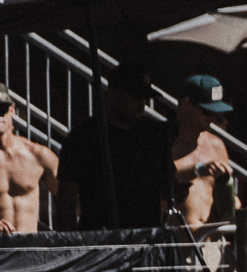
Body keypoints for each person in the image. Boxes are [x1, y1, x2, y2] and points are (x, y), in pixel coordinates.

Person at [56, 61, 175, 230]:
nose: (141, 104)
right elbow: (66, 202)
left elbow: (168, 191)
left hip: (146, 238)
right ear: (113, 94)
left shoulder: (154, 136)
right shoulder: (84, 138)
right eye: (134, 96)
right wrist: (71, 243)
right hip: (101, 237)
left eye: (144, 98)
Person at [0, 81, 57, 234]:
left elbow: (69, 203)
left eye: (2, 110)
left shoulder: (38, 155)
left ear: (12, 111)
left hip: (30, 245)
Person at [170, 75, 239, 230]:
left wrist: (231, 201)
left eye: (217, 113)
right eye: (207, 112)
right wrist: (198, 169)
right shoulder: (165, 143)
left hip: (212, 240)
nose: (213, 118)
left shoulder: (216, 145)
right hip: (177, 242)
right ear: (186, 105)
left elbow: (227, 200)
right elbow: (160, 179)